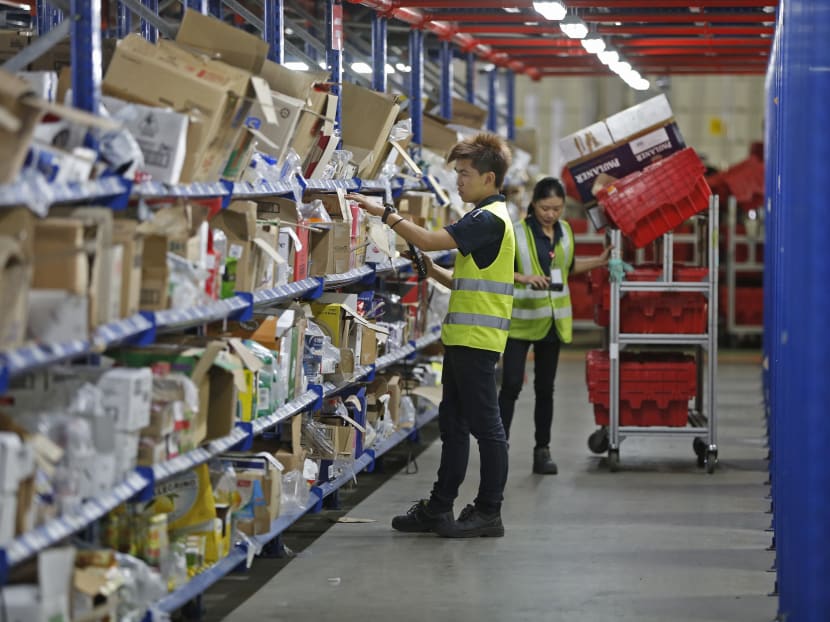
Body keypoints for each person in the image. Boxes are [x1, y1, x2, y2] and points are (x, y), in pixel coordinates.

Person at [346, 133, 515, 538]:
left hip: (477, 341)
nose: (458, 181)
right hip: (464, 337)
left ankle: (489, 511)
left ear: (489, 178)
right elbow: (465, 281)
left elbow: (431, 239)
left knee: (487, 429)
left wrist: (385, 214)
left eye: (465, 174)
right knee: (453, 425)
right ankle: (439, 508)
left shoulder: (487, 218)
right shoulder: (487, 217)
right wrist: (429, 269)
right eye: (456, 173)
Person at [497, 177, 611, 475]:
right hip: (520, 322)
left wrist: (599, 261)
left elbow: (567, 267)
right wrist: (523, 278)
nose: (551, 214)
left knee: (545, 389)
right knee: (510, 385)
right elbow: (499, 271)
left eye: (557, 209)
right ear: (534, 204)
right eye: (545, 208)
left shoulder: (565, 231)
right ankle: (498, 448)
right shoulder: (516, 232)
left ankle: (542, 450)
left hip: (553, 323)